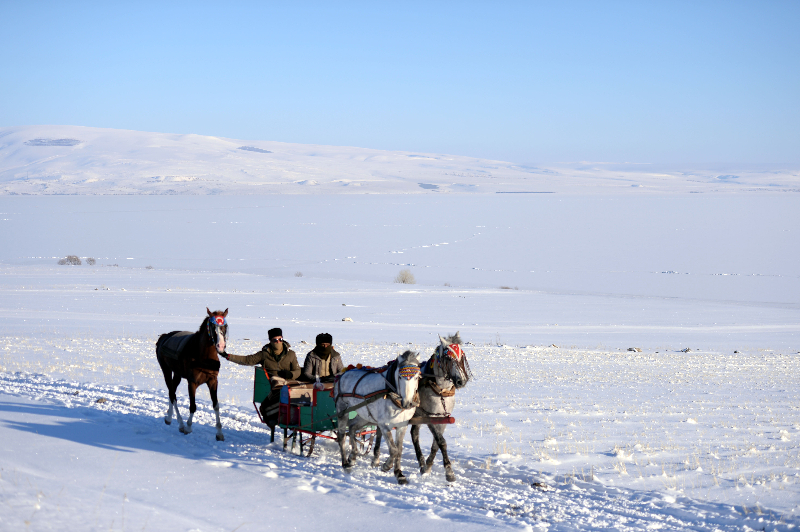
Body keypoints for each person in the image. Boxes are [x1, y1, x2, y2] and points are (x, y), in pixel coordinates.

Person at [220, 327, 300, 426]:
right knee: (277, 394)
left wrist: (291, 374)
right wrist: (228, 356)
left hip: (289, 383)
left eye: (280, 339)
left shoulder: (291, 354)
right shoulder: (264, 354)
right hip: (272, 385)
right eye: (275, 340)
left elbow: (298, 371)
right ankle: (274, 416)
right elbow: (247, 360)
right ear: (270, 341)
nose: (278, 342)